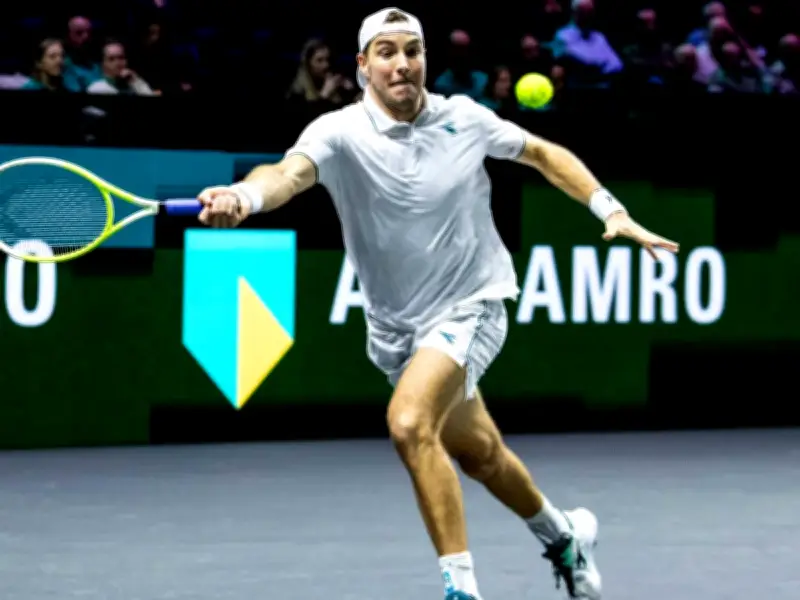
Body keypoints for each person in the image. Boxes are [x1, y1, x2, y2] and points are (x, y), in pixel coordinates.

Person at [196, 7, 679, 600]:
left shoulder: (464, 118)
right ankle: (564, 536)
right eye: (387, 52)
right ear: (363, 65)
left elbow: (543, 153)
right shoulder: (337, 132)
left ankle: (461, 589)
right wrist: (243, 197)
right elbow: (285, 175)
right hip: (397, 329)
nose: (402, 64)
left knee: (408, 423)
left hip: (473, 303)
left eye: (413, 51)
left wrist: (611, 209)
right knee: (481, 456)